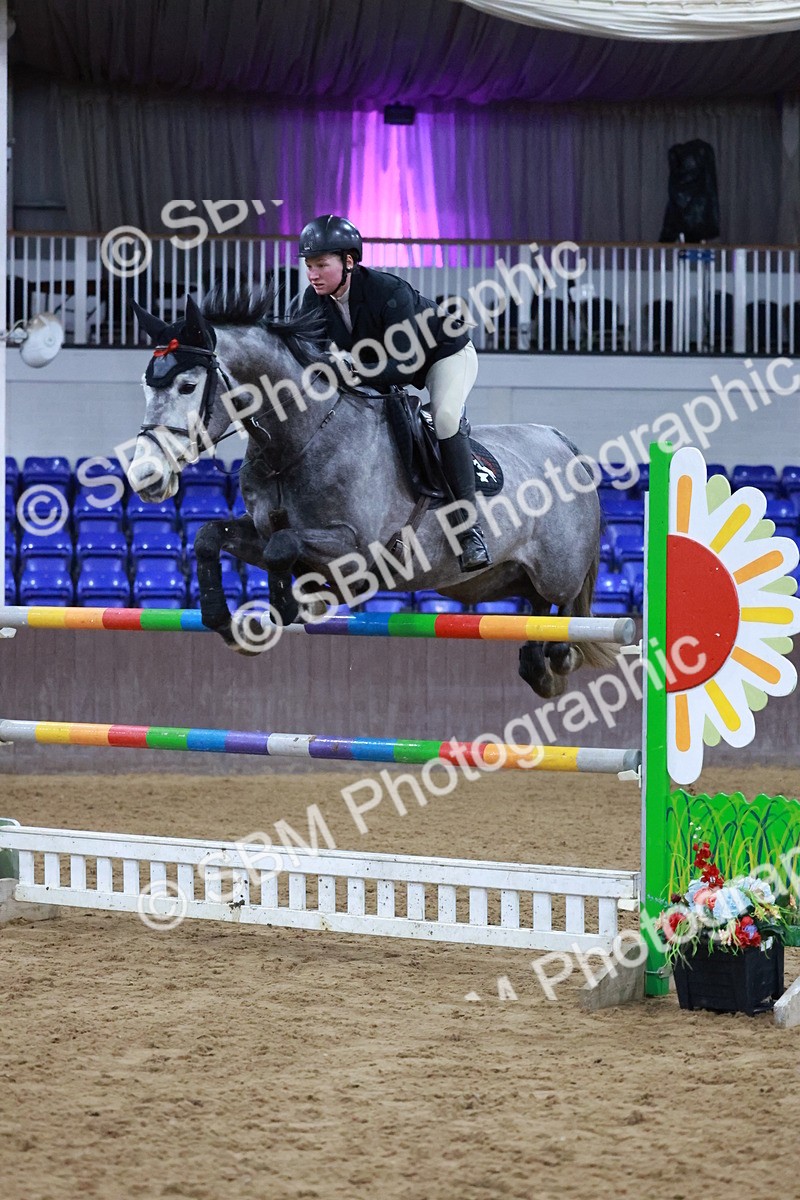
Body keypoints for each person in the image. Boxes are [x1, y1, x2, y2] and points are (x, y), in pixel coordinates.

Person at [298, 213, 490, 572]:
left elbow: (403, 367)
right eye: (309, 265)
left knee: (445, 418)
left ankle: (469, 531)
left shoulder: (389, 291)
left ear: (349, 261)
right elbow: (308, 358)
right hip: (380, 370)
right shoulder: (313, 302)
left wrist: (349, 370)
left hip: (443, 354)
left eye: (321, 264)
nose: (313, 274)